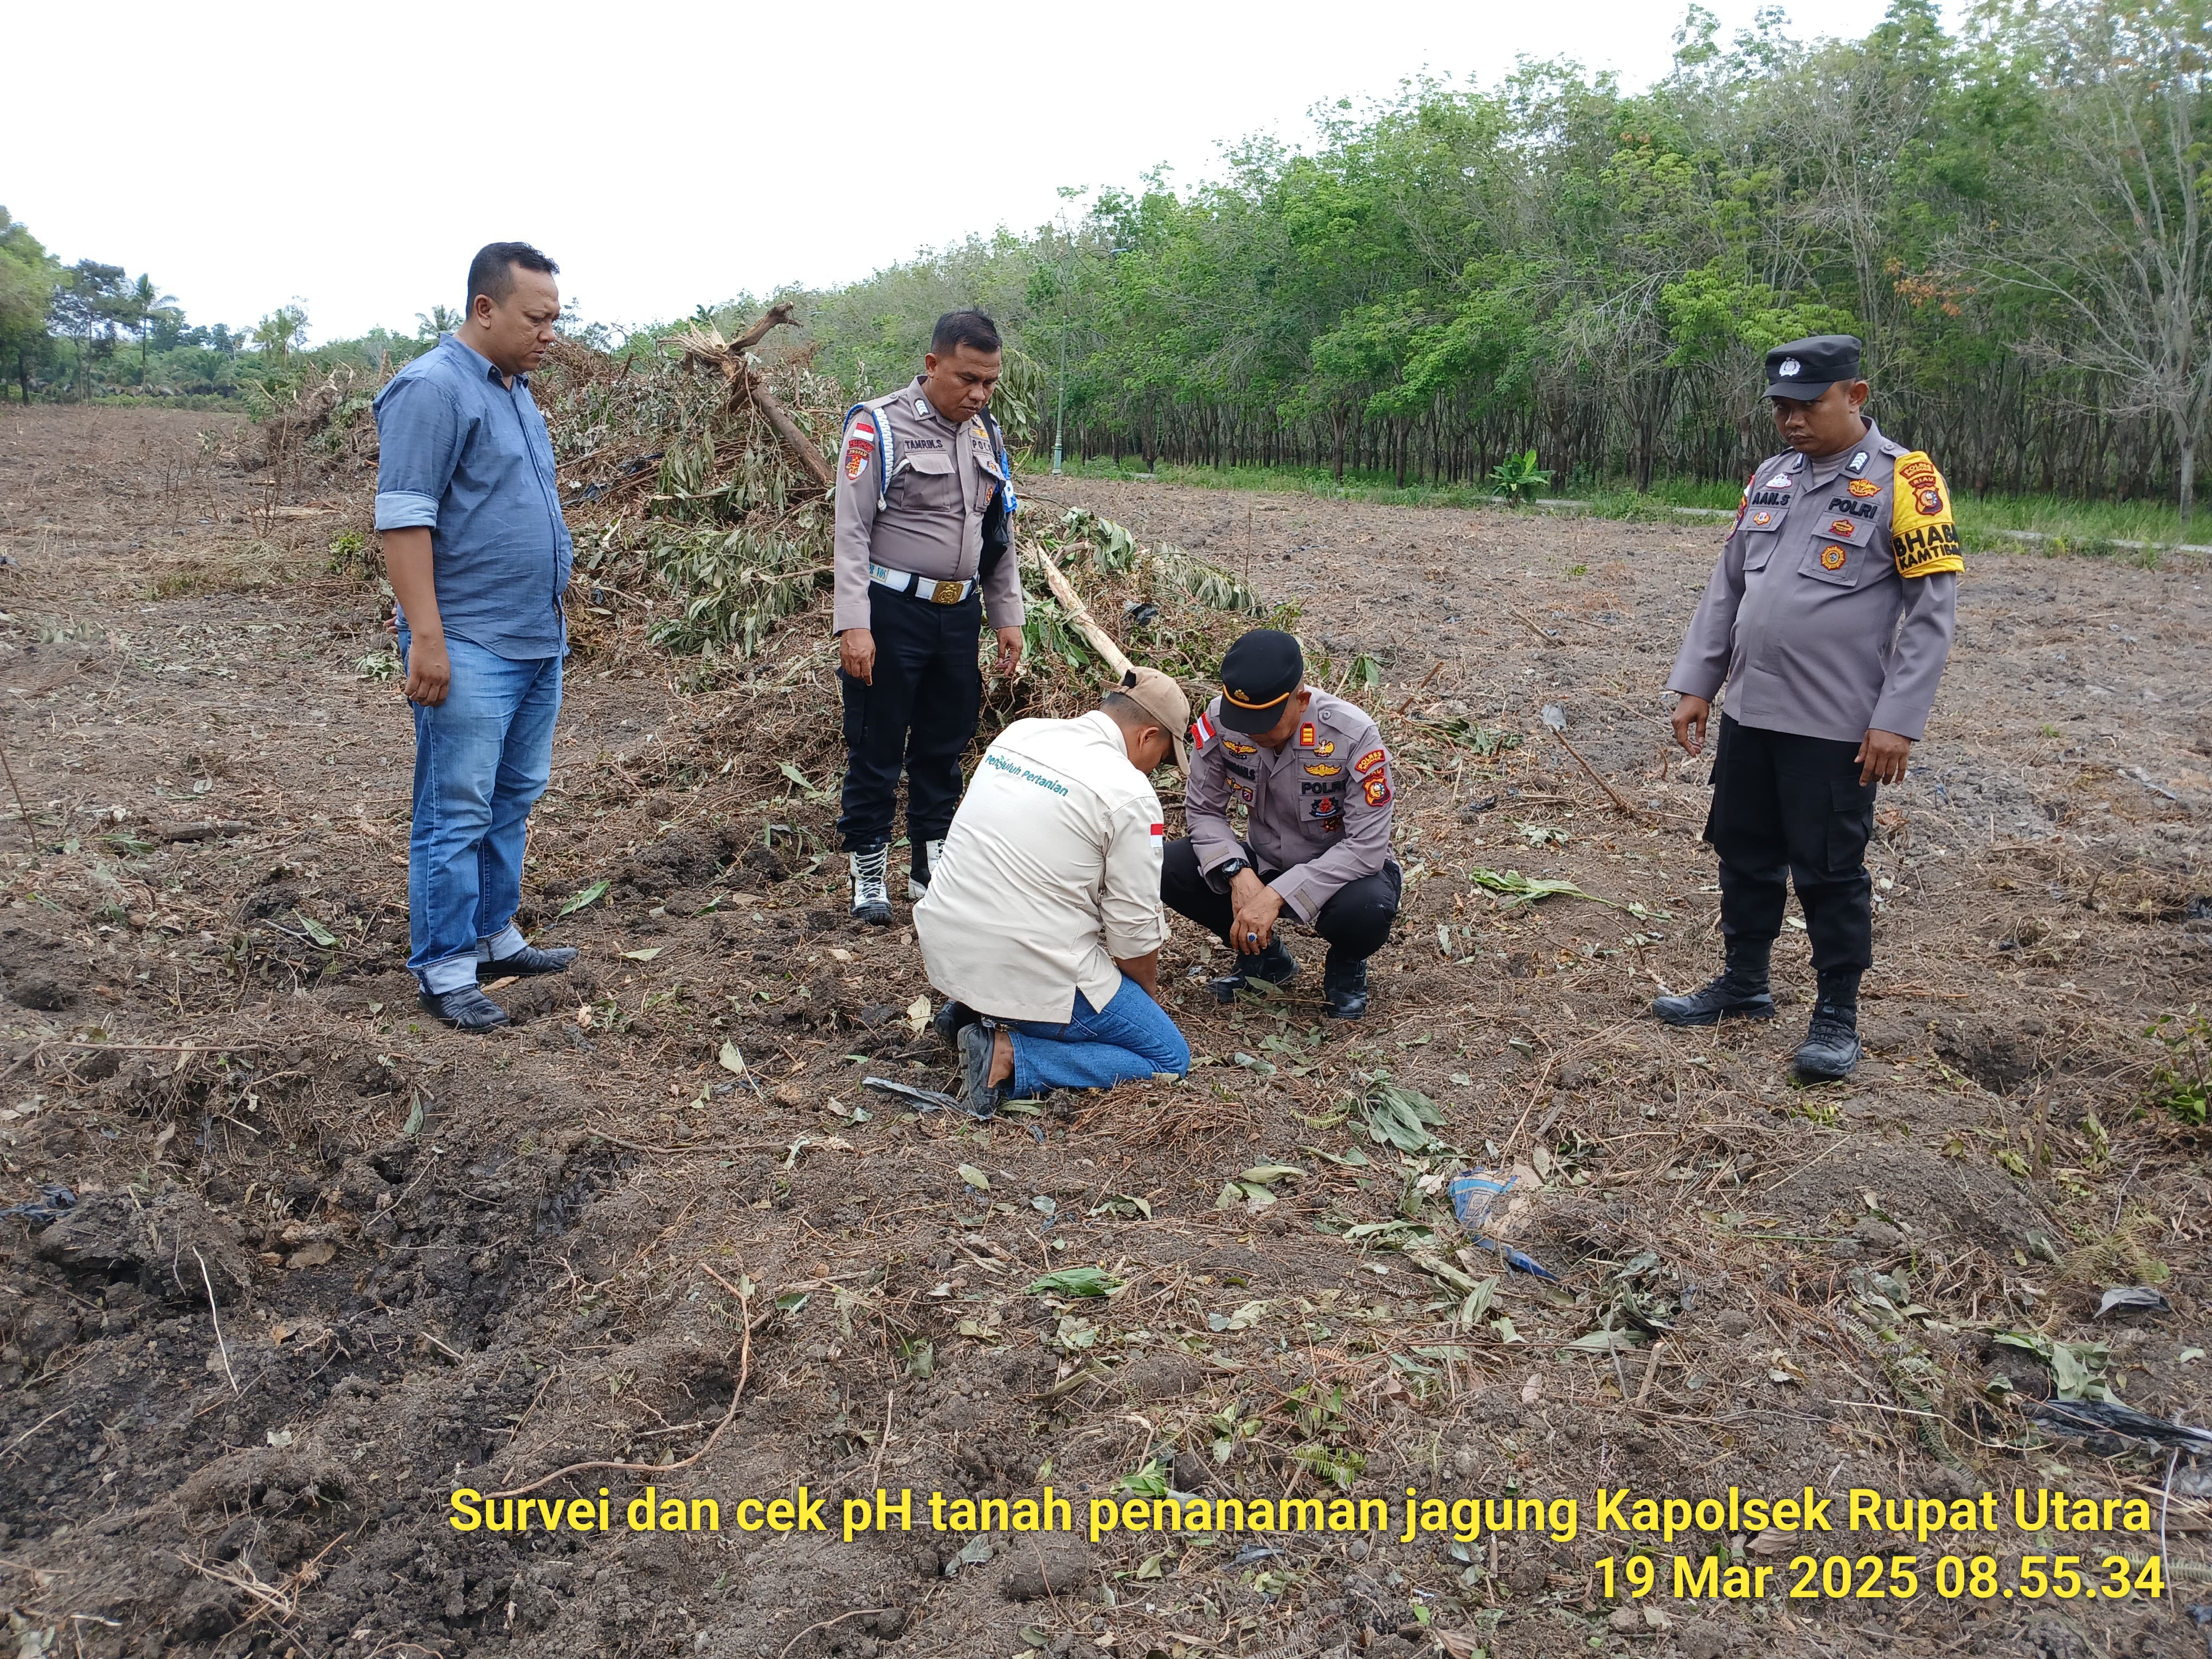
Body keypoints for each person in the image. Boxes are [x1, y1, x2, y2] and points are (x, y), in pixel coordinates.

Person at [1658, 334, 1960, 1080]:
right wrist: (1698, 682)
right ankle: (1744, 983)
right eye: (1780, 408)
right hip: (1751, 713)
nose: (1791, 420)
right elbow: (1729, 584)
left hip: (1836, 724)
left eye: (1808, 405)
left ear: (1855, 397)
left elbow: (1930, 613)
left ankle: (1835, 1013)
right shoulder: (1771, 477)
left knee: (1829, 871)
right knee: (1745, 853)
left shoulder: (1905, 481)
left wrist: (1898, 720)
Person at [372, 241, 580, 1032]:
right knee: (455, 808)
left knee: (512, 797)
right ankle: (446, 966)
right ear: (485, 309)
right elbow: (404, 519)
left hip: (534, 638)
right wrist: (428, 638)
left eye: (555, 320)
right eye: (537, 319)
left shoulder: (515, 389)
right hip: (468, 640)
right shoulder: (432, 388)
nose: (549, 334)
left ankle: (494, 935)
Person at [915, 670, 1194, 1117]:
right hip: (1022, 961)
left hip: (947, 946)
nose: (1154, 769)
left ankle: (969, 1007)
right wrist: (1140, 1005)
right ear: (1148, 736)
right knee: (1167, 1058)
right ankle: (1007, 1055)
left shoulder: (1020, 735)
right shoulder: (1130, 793)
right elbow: (1134, 929)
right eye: (1162, 757)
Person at [833, 311, 1024, 925]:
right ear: (932, 364)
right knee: (877, 742)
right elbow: (852, 532)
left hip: (958, 612)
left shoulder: (984, 434)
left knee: (945, 743)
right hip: (890, 613)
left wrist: (1006, 614)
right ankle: (868, 871)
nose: (979, 394)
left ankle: (929, 866)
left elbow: (999, 531)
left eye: (990, 383)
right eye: (968, 379)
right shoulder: (879, 427)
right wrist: (853, 625)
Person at [1162, 629, 1399, 1021]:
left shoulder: (1353, 735)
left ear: (1301, 701)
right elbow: (1204, 811)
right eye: (1245, 721)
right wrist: (1237, 872)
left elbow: (1366, 849)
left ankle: (1345, 966)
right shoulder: (1222, 720)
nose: (1253, 733)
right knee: (1169, 865)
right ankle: (1265, 959)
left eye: (1267, 721)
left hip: (1339, 872)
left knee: (1367, 909)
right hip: (1265, 857)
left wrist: (1274, 896)